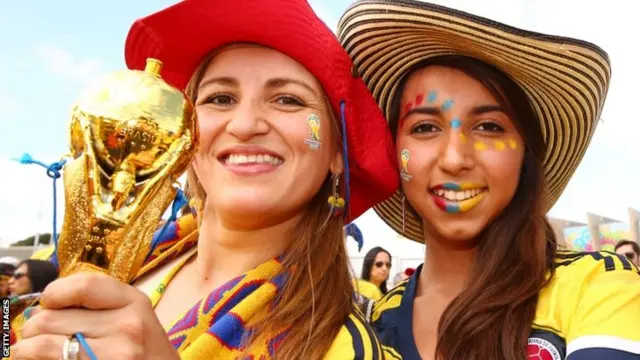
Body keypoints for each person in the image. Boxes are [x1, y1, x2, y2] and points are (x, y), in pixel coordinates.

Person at [11, 0, 399, 359]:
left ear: (337, 153)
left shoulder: (346, 347)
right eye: (220, 99)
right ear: (187, 137)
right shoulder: (128, 255)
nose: (245, 125)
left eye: (288, 100)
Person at [339, 1, 640, 359]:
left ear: (525, 155)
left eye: (488, 127)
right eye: (424, 127)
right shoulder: (369, 325)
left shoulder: (595, 285)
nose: (454, 159)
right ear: (394, 153)